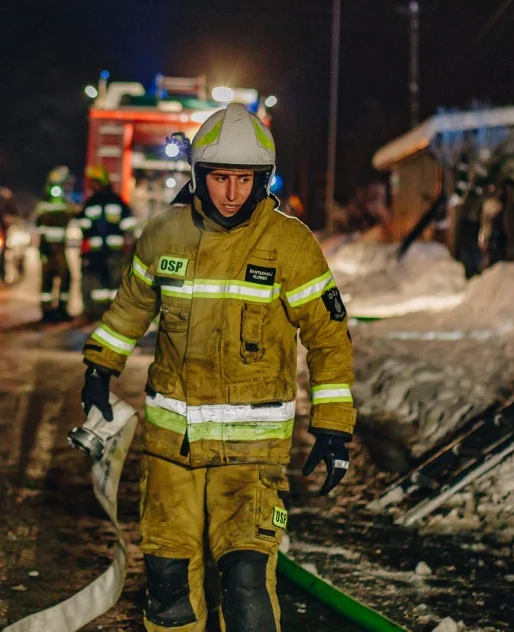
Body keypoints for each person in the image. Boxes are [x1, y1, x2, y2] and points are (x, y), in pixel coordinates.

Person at [79, 103, 357, 631]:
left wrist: (333, 426)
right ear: (198, 176)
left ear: (263, 180)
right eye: (220, 178)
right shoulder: (164, 236)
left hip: (251, 459)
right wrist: (99, 369)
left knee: (246, 583)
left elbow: (328, 338)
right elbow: (130, 309)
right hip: (170, 455)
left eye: (243, 179)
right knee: (168, 586)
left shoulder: (290, 245)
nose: (231, 192)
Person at [76, 164, 137, 319]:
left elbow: (129, 228)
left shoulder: (113, 203)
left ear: (101, 182)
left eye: (94, 182)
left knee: (113, 284)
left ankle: (111, 312)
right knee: (98, 286)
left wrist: (129, 248)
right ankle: (99, 312)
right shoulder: (95, 203)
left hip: (114, 254)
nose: (92, 185)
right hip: (97, 254)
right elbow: (82, 227)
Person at [36, 166, 74, 322]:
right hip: (52, 247)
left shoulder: (51, 199)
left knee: (52, 277)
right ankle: (56, 311)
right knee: (62, 276)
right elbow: (65, 214)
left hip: (53, 247)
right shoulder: (56, 199)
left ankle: (50, 310)